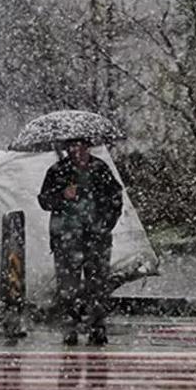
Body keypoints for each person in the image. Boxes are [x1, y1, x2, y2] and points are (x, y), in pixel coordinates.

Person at [38, 140, 123, 346]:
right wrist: (62, 195)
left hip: (96, 239)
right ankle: (71, 327)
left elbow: (115, 198)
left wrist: (105, 225)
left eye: (81, 146)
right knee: (68, 286)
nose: (77, 151)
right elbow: (44, 200)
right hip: (66, 239)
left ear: (88, 148)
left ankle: (97, 327)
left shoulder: (100, 169)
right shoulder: (57, 170)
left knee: (97, 285)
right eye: (72, 147)